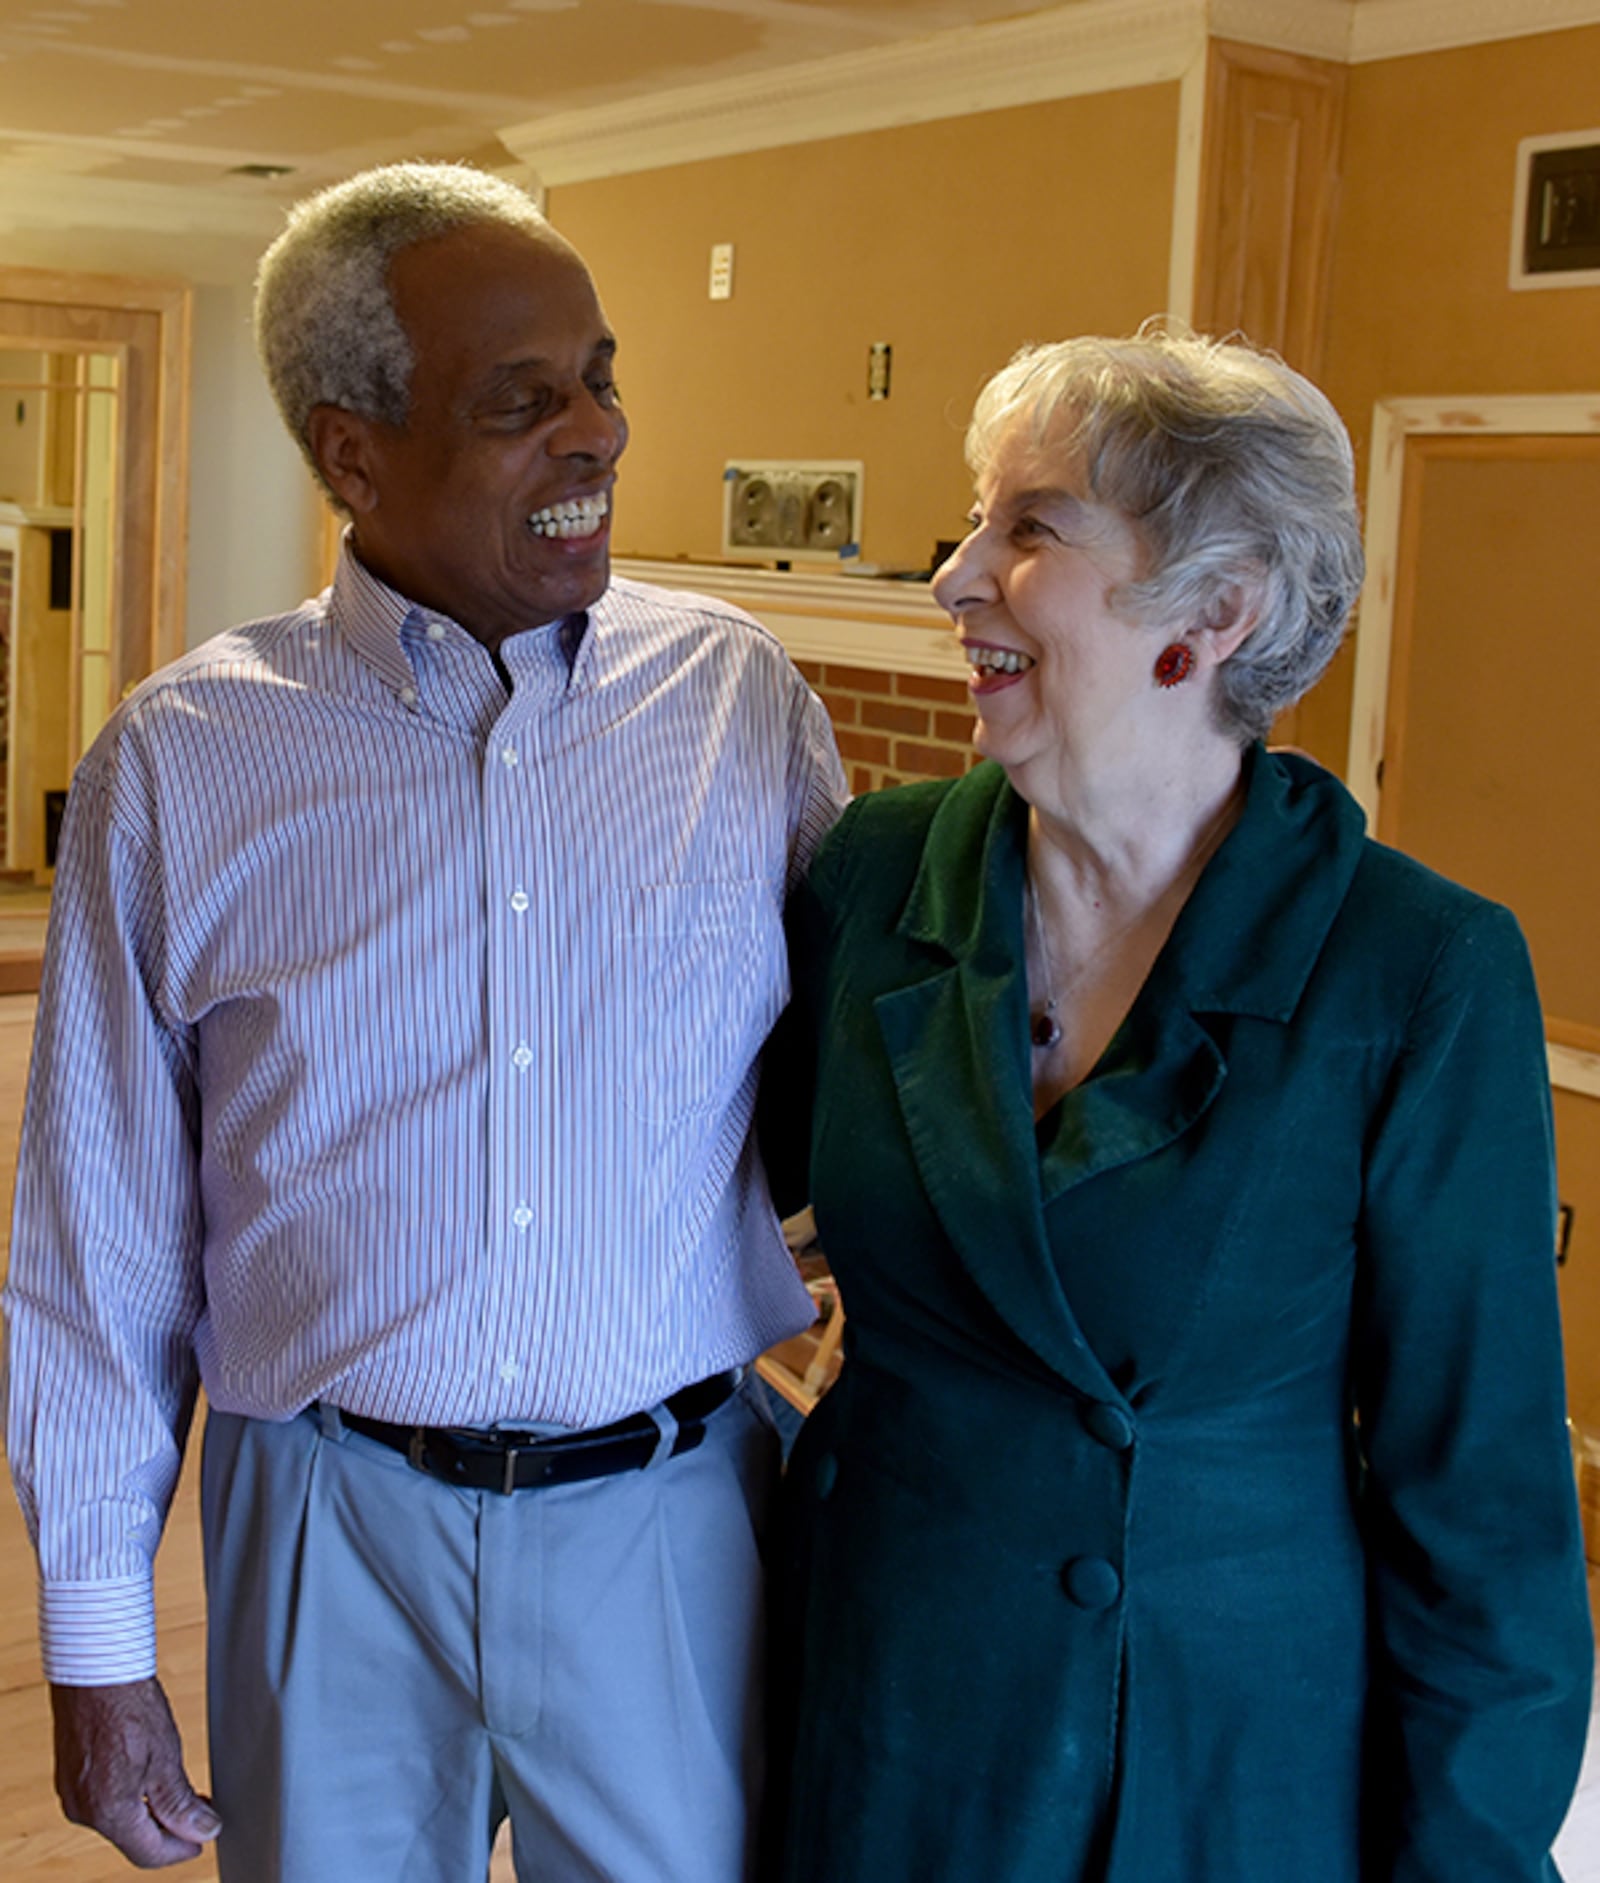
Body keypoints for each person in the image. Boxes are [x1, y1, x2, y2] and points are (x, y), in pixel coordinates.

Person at [2, 161, 845, 1882]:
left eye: (603, 377)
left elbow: (863, 1084)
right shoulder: (180, 764)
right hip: (323, 1530)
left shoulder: (737, 702)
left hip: (677, 1526)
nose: (599, 434)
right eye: (521, 402)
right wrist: (97, 1643)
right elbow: (97, 1245)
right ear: (353, 453)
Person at [766, 327, 1593, 1882]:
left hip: (1221, 1742)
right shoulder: (874, 876)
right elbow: (710, 1193)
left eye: (1029, 529)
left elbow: (1480, 1504)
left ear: (1213, 614)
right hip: (892, 1699)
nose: (952, 579)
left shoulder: (1415, 968)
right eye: (972, 518)